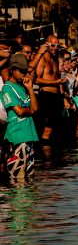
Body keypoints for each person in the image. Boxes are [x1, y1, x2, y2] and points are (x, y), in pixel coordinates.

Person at [0, 54, 39, 182]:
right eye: (21, 71)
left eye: (25, 71)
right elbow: (20, 111)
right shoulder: (7, 88)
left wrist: (30, 89)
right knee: (17, 177)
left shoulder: (23, 87)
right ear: (12, 69)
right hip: (16, 136)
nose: (24, 74)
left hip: (28, 135)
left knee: (30, 176)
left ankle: (27, 202)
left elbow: (35, 108)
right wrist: (30, 110)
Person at [35, 35, 67, 142]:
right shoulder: (43, 58)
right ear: (46, 45)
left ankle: (50, 154)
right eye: (52, 45)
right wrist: (54, 82)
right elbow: (36, 79)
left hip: (56, 96)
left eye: (57, 46)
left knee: (55, 127)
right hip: (46, 95)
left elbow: (58, 79)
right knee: (46, 128)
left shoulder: (56, 59)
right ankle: (45, 155)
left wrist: (64, 98)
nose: (55, 48)